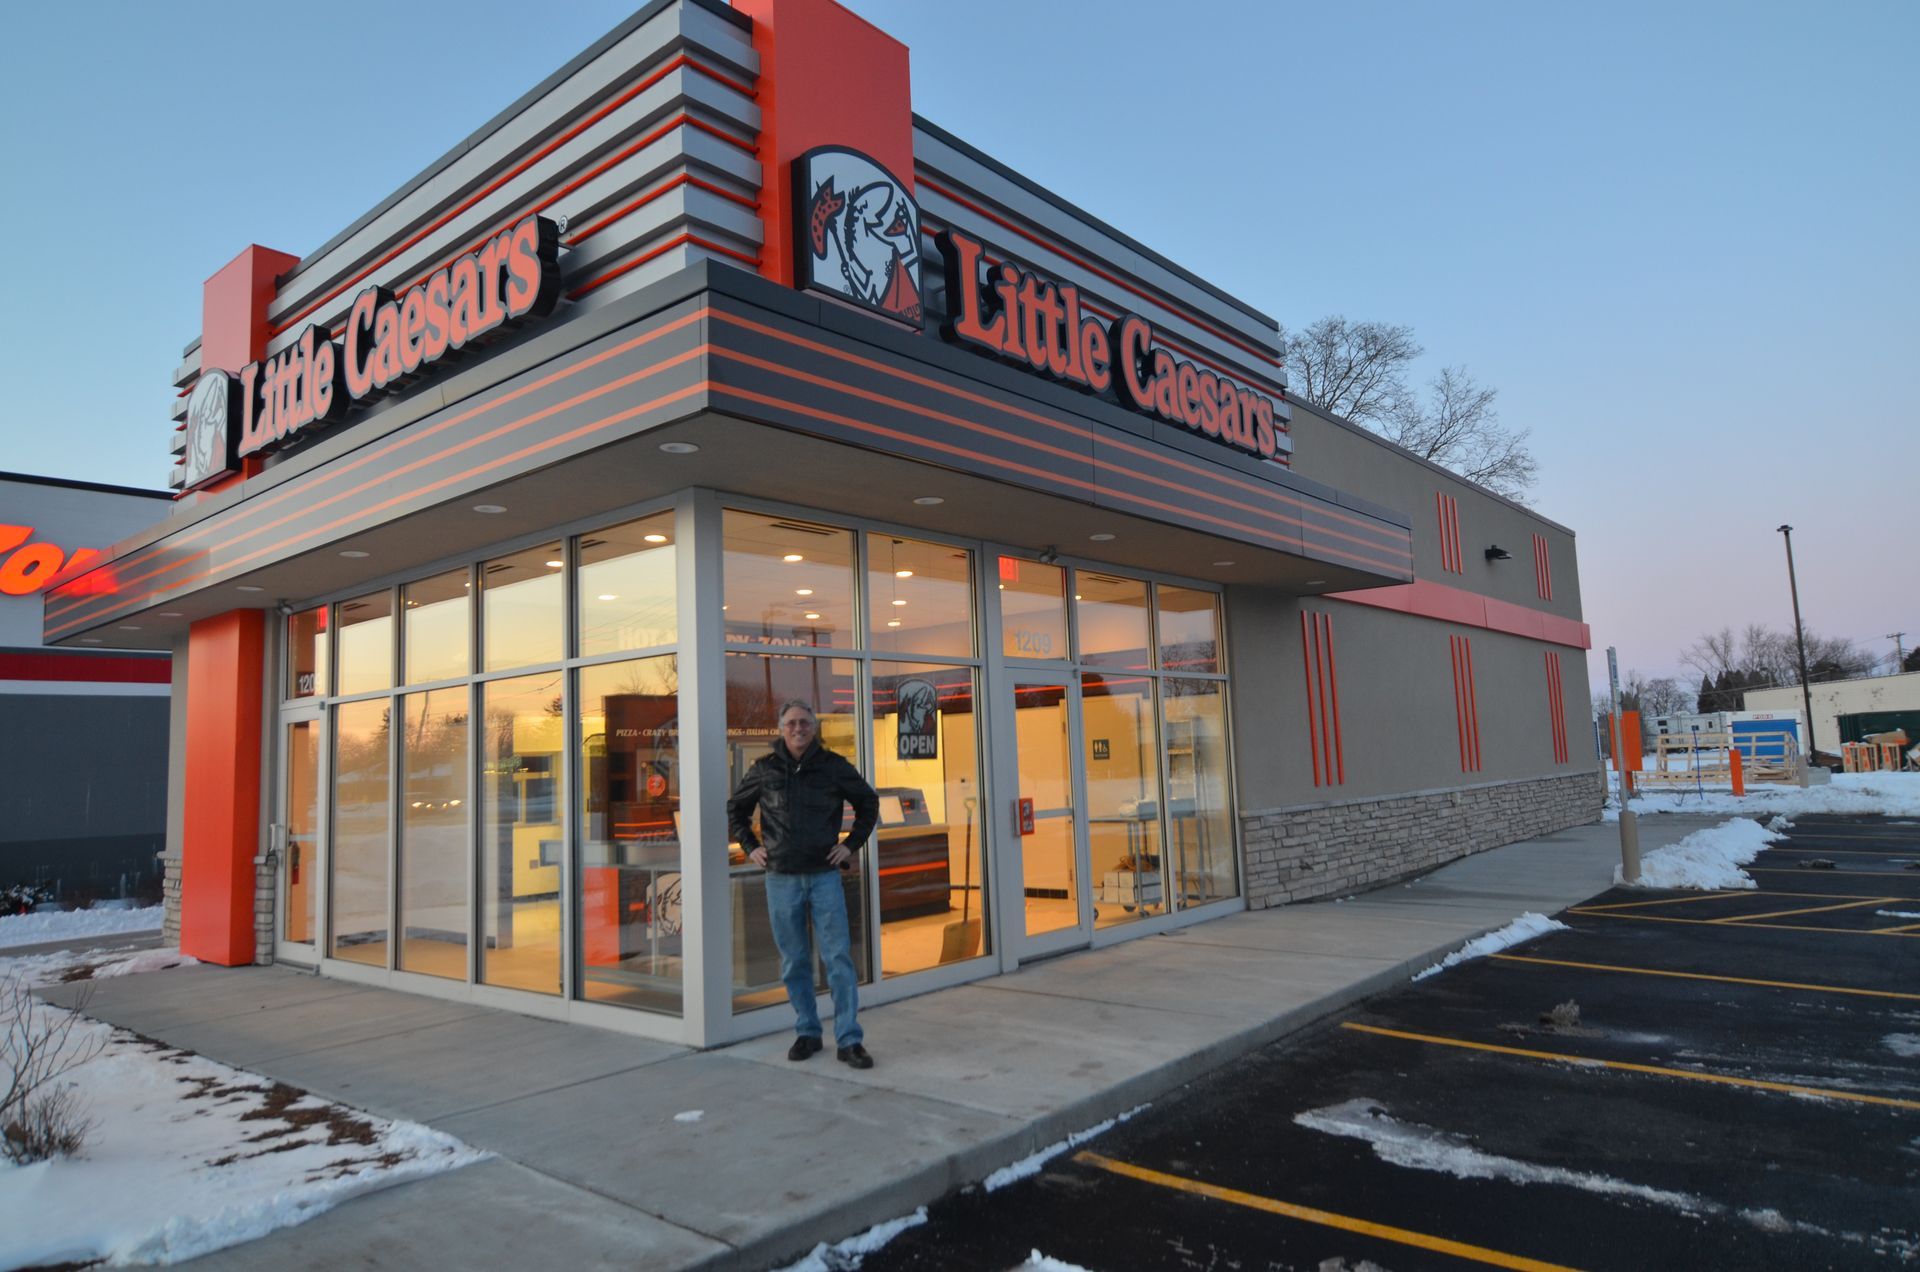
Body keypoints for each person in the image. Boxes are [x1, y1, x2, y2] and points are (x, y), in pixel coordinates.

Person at [727, 699, 880, 1068]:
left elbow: (869, 804)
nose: (798, 729)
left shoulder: (833, 767)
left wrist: (849, 846)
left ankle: (849, 1039)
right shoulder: (765, 770)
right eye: (791, 723)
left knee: (838, 959)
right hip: (781, 879)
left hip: (825, 876)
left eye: (805, 723)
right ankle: (807, 1032)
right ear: (781, 729)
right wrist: (750, 847)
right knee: (794, 961)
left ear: (814, 728)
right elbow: (736, 809)